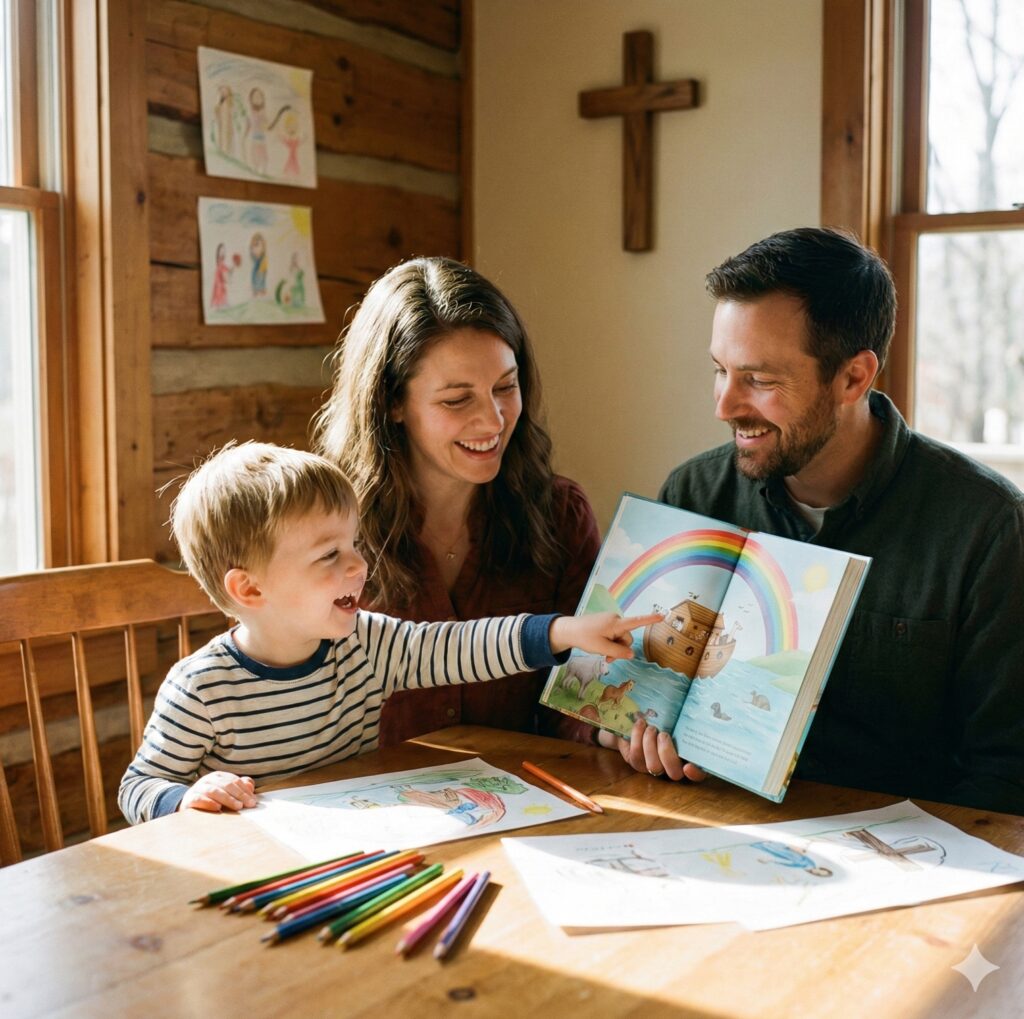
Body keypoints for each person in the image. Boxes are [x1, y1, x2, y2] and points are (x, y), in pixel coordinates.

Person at [607, 227, 1024, 815]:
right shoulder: (693, 493)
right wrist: (636, 733)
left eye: (759, 379)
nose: (723, 405)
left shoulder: (985, 527)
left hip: (910, 858)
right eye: (720, 370)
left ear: (854, 377)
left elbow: (1008, 774)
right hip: (709, 831)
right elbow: (639, 701)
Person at [117, 442, 654, 824]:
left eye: (354, 546)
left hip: (343, 853)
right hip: (247, 870)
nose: (358, 567)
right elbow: (136, 787)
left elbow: (459, 646)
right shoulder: (201, 689)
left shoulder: (366, 646)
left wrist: (563, 631)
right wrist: (185, 798)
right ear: (250, 590)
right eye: (330, 555)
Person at [314, 257, 601, 746]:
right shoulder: (316, 529)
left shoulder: (560, 515)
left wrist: (607, 730)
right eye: (456, 400)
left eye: (506, 388)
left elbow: (574, 699)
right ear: (391, 402)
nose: (493, 421)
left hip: (525, 805)